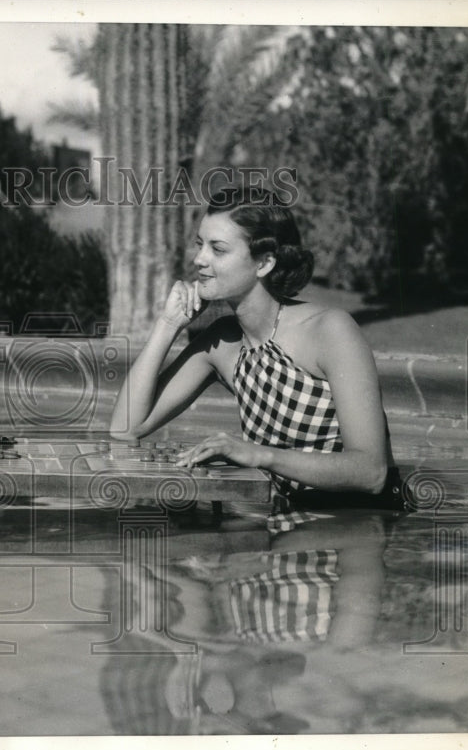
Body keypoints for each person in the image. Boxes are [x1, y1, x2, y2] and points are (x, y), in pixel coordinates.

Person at [109, 186, 408, 535]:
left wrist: (257, 454)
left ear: (264, 262)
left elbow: (371, 472)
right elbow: (125, 429)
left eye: (218, 249)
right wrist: (169, 324)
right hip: (289, 524)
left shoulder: (330, 331)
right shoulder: (222, 343)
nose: (199, 260)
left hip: (363, 525)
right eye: (199, 244)